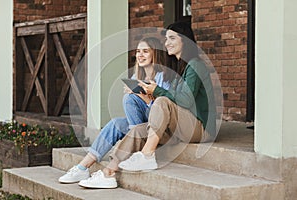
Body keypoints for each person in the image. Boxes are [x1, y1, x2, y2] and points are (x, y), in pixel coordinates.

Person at [76, 21, 216, 188]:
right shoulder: (180, 67)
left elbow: (185, 100)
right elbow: (172, 102)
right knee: (136, 128)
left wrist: (157, 91)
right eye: (166, 39)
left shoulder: (195, 65)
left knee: (162, 101)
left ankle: (147, 155)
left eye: (172, 38)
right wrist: (149, 98)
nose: (167, 43)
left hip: (201, 128)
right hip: (180, 126)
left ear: (185, 40)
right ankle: (108, 173)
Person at [58, 37, 170, 187]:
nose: (140, 55)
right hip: (139, 125)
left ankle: (132, 146)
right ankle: (83, 167)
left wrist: (146, 99)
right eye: (138, 51)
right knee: (116, 123)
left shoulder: (164, 78)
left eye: (145, 51)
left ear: (155, 54)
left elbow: (164, 110)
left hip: (155, 129)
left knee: (129, 99)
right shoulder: (137, 76)